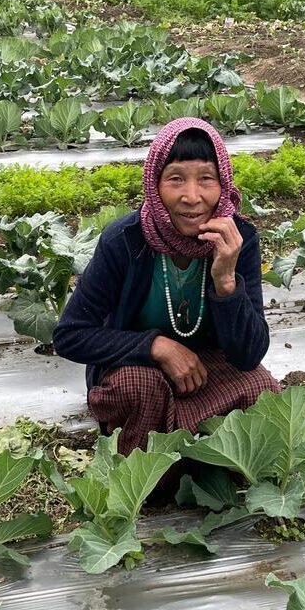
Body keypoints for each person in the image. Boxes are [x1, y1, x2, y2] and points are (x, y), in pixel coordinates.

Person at [53, 117, 280, 456]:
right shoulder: (125, 241)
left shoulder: (239, 239)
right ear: (155, 184)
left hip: (205, 373)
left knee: (262, 388)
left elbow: (248, 355)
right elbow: (70, 335)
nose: (192, 197)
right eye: (176, 179)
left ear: (223, 184)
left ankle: (166, 451)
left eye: (206, 178)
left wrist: (225, 281)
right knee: (138, 388)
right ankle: (184, 458)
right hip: (139, 371)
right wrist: (156, 347)